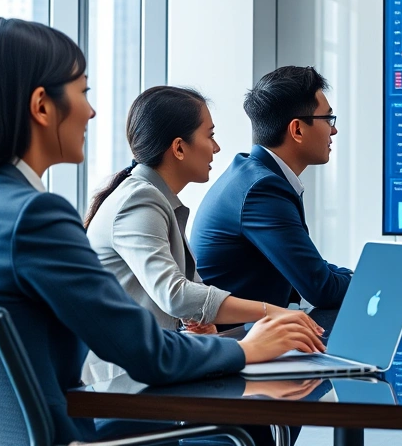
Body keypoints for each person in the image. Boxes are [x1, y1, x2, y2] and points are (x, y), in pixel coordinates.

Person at [0, 17, 325, 444]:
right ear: (42, 106)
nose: (91, 111)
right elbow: (143, 350)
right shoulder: (36, 217)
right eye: (83, 92)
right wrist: (248, 347)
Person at [81, 86, 322, 385]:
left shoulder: (151, 197)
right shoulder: (139, 200)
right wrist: (272, 313)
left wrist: (200, 321)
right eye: (209, 136)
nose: (217, 148)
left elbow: (188, 294)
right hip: (120, 385)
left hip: (144, 372)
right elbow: (175, 294)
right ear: (179, 148)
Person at [191, 66, 354, 315]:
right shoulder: (262, 190)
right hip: (235, 339)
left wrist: (366, 277)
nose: (333, 130)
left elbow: (313, 269)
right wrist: (389, 284)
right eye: (328, 119)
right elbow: (321, 289)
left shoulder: (253, 174)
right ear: (297, 129)